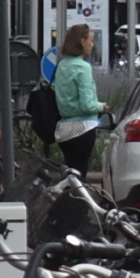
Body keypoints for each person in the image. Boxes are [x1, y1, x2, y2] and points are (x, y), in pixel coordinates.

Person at [53, 23, 105, 173]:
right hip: (83, 128)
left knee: (71, 172)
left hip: (64, 129)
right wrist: (102, 106)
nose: (92, 44)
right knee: (80, 174)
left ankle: (66, 194)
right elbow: (87, 104)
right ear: (82, 41)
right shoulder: (83, 67)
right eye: (91, 40)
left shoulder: (62, 65)